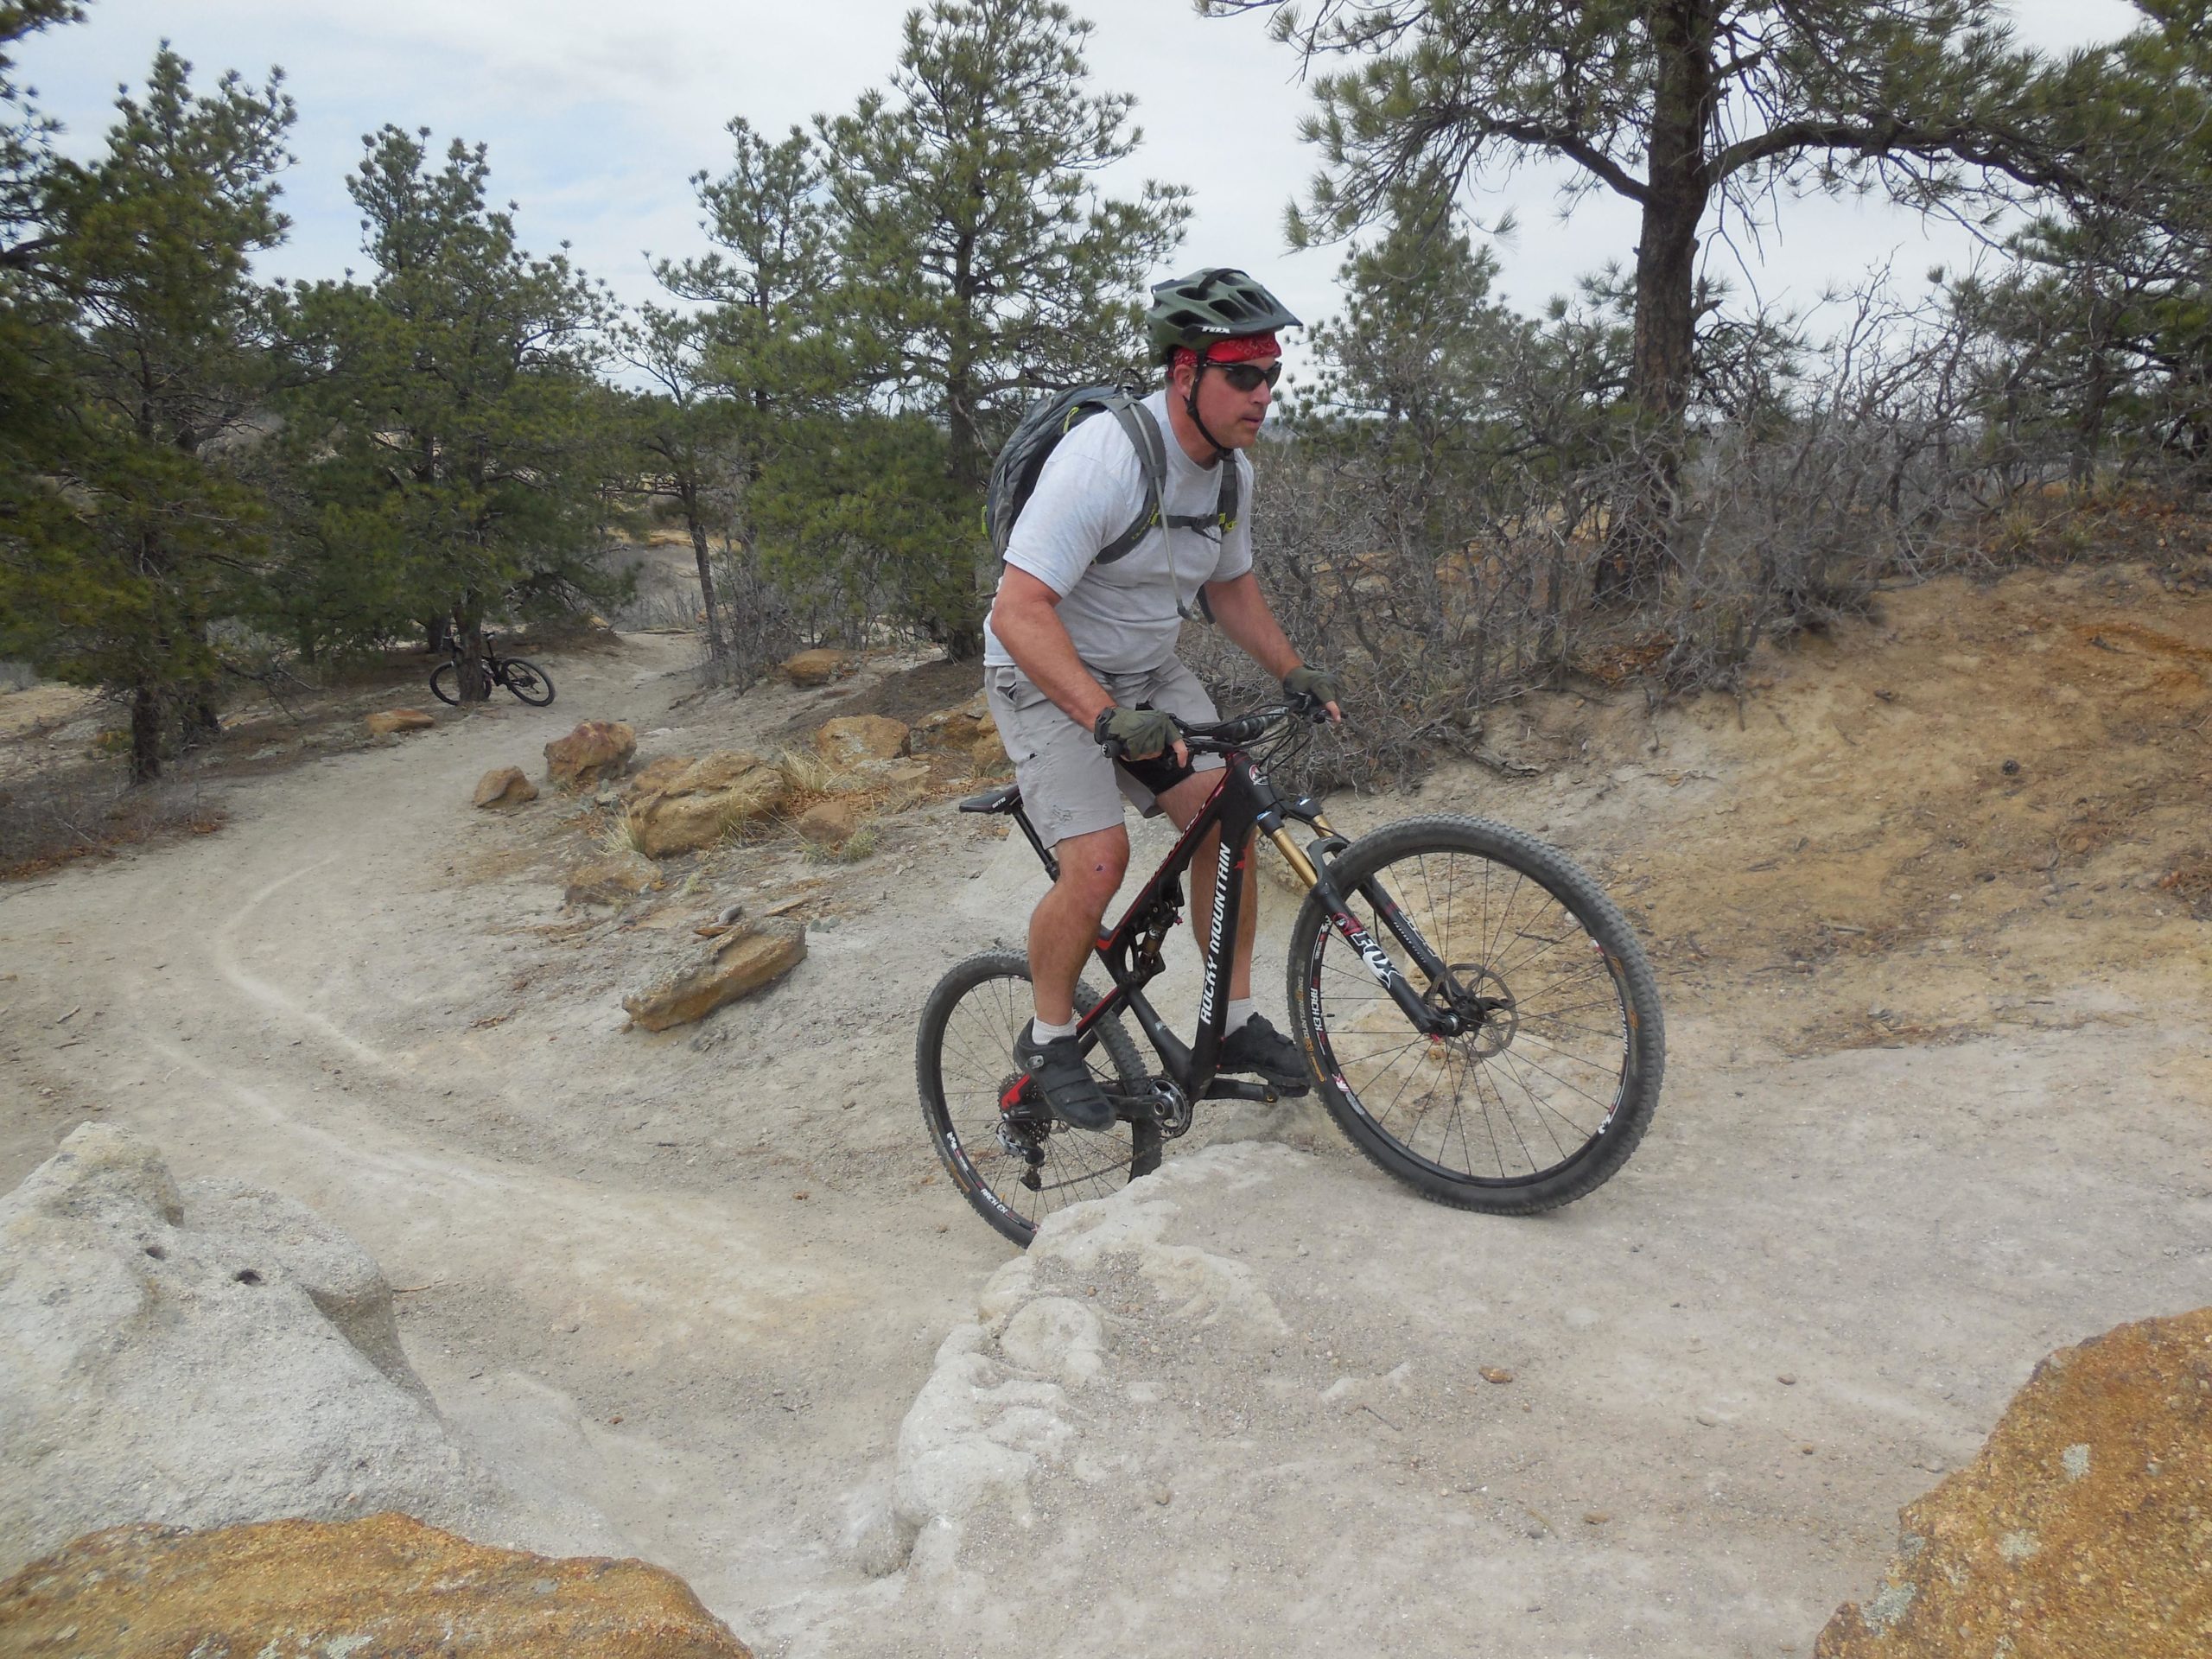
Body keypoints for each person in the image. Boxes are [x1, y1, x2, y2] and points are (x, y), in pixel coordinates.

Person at [982, 266, 1342, 1132]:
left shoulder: (1228, 474)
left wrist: (1293, 670)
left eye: (1272, 375)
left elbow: (1231, 589)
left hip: (1145, 674)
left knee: (1229, 817)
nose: (1264, 394)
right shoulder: (1105, 458)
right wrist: (1102, 718)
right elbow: (1017, 609)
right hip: (1046, 672)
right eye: (1243, 375)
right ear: (1186, 373)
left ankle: (1238, 1020)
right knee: (1098, 858)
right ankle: (1048, 1034)